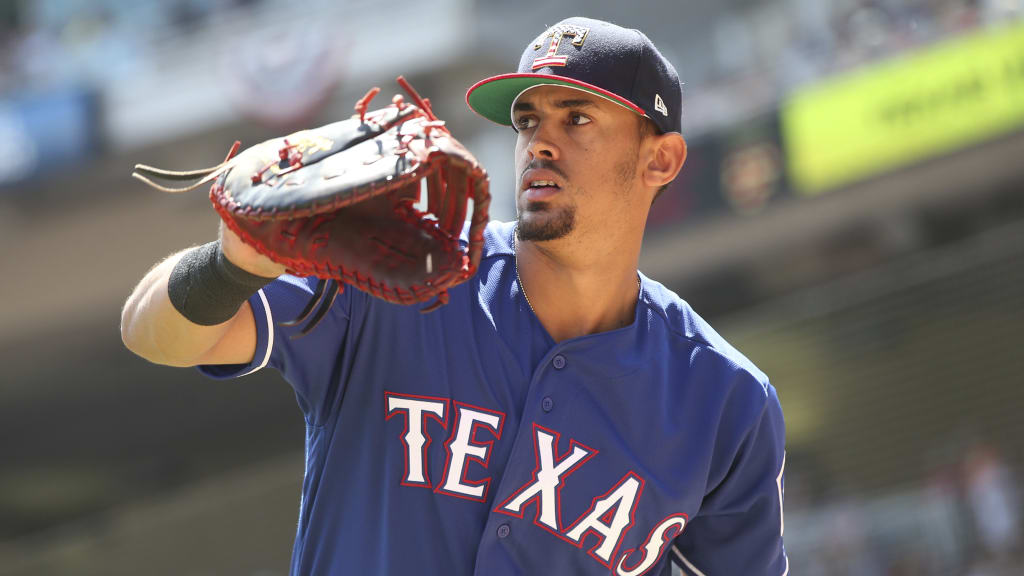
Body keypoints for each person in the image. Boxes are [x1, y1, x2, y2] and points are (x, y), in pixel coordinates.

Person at [121, 16, 787, 576]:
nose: (540, 143)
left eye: (576, 118)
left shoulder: (724, 399)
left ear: (661, 161)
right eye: (528, 121)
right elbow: (153, 332)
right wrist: (239, 260)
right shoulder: (402, 277)